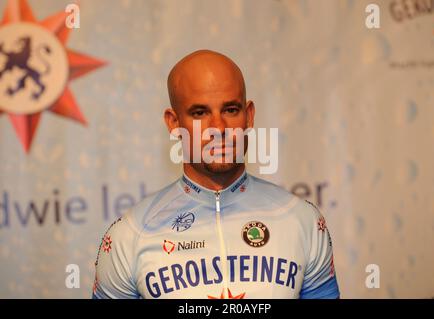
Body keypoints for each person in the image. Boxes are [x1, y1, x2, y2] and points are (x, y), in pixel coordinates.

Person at [92, 50, 340, 299]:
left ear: (249, 115)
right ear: (174, 123)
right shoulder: (130, 235)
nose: (219, 128)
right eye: (199, 113)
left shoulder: (303, 221)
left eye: (231, 110)